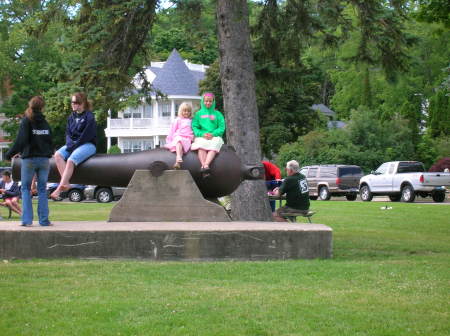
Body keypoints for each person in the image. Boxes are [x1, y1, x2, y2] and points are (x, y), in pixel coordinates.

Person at [5, 96, 53, 226]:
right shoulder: (45, 123)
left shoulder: (27, 121)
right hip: (44, 160)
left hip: (30, 159)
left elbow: (21, 141)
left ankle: (26, 220)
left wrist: (9, 154)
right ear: (42, 108)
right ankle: (44, 220)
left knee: (25, 189)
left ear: (30, 106)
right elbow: (50, 142)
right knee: (42, 189)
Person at [51, 92, 96, 199]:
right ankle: (66, 183)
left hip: (88, 145)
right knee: (57, 155)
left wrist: (74, 146)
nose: (73, 104)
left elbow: (86, 136)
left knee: (71, 160)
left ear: (82, 103)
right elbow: (68, 134)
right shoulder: (71, 117)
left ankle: (58, 190)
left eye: (75, 102)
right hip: (72, 144)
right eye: (72, 102)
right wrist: (70, 144)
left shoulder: (89, 117)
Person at [191, 92, 225, 177]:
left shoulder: (218, 114)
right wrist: (202, 134)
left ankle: (205, 165)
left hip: (215, 136)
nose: (208, 103)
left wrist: (213, 134)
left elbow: (222, 127)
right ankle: (205, 167)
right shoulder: (198, 114)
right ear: (203, 101)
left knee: (215, 144)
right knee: (201, 145)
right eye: (206, 101)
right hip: (202, 136)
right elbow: (194, 126)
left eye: (210, 101)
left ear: (213, 102)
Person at [164, 102, 194, 169]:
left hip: (187, 138)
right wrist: (169, 140)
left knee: (182, 142)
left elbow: (194, 130)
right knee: (179, 140)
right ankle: (178, 157)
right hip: (178, 136)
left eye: (188, 111)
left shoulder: (191, 121)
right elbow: (172, 130)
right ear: (181, 111)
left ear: (190, 112)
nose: (186, 112)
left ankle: (177, 163)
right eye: (185, 111)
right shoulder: (178, 120)